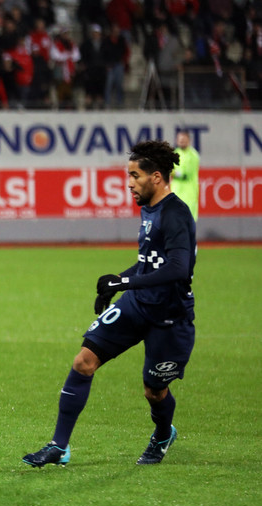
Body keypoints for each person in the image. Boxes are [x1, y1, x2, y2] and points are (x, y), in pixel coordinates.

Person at [22, 139, 196, 467]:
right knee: (83, 362)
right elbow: (149, 265)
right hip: (137, 304)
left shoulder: (175, 214)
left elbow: (178, 269)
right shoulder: (150, 210)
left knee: (154, 391)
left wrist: (125, 282)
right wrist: (117, 282)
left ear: (156, 177)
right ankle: (59, 446)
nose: (129, 183)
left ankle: (162, 434)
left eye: (135, 175)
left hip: (170, 316)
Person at [172, 130, 200, 221]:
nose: (181, 141)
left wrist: (172, 172)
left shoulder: (193, 155)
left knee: (188, 221)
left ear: (189, 140)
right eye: (180, 139)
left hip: (189, 193)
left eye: (184, 139)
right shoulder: (175, 153)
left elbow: (185, 175)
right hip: (176, 191)